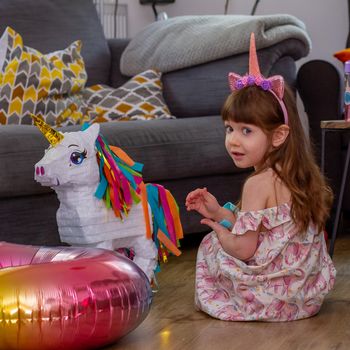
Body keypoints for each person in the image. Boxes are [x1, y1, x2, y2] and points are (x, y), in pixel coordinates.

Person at [185, 33, 336, 322]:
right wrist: (219, 212)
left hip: (273, 300)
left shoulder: (257, 184)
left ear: (278, 135)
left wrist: (219, 231)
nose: (233, 141)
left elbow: (244, 248)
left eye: (246, 131)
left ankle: (230, 300)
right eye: (229, 128)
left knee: (211, 246)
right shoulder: (298, 175)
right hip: (304, 296)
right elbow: (270, 232)